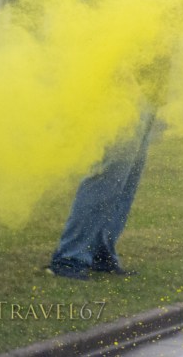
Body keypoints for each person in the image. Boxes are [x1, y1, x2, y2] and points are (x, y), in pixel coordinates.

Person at [47, 107, 155, 280]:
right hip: (125, 96)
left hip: (149, 96)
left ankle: (100, 252)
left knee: (125, 182)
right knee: (106, 177)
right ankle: (69, 258)